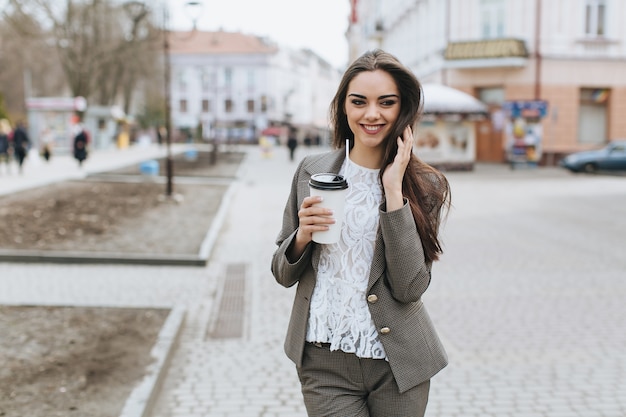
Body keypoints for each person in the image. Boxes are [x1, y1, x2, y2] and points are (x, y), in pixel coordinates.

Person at [270, 49, 451, 417]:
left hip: (399, 363)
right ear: (344, 108)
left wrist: (393, 192)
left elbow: (409, 287)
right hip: (323, 359)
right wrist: (302, 236)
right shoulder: (312, 171)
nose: (372, 114)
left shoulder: (425, 186)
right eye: (359, 102)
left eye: (386, 102)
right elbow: (282, 273)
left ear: (403, 110)